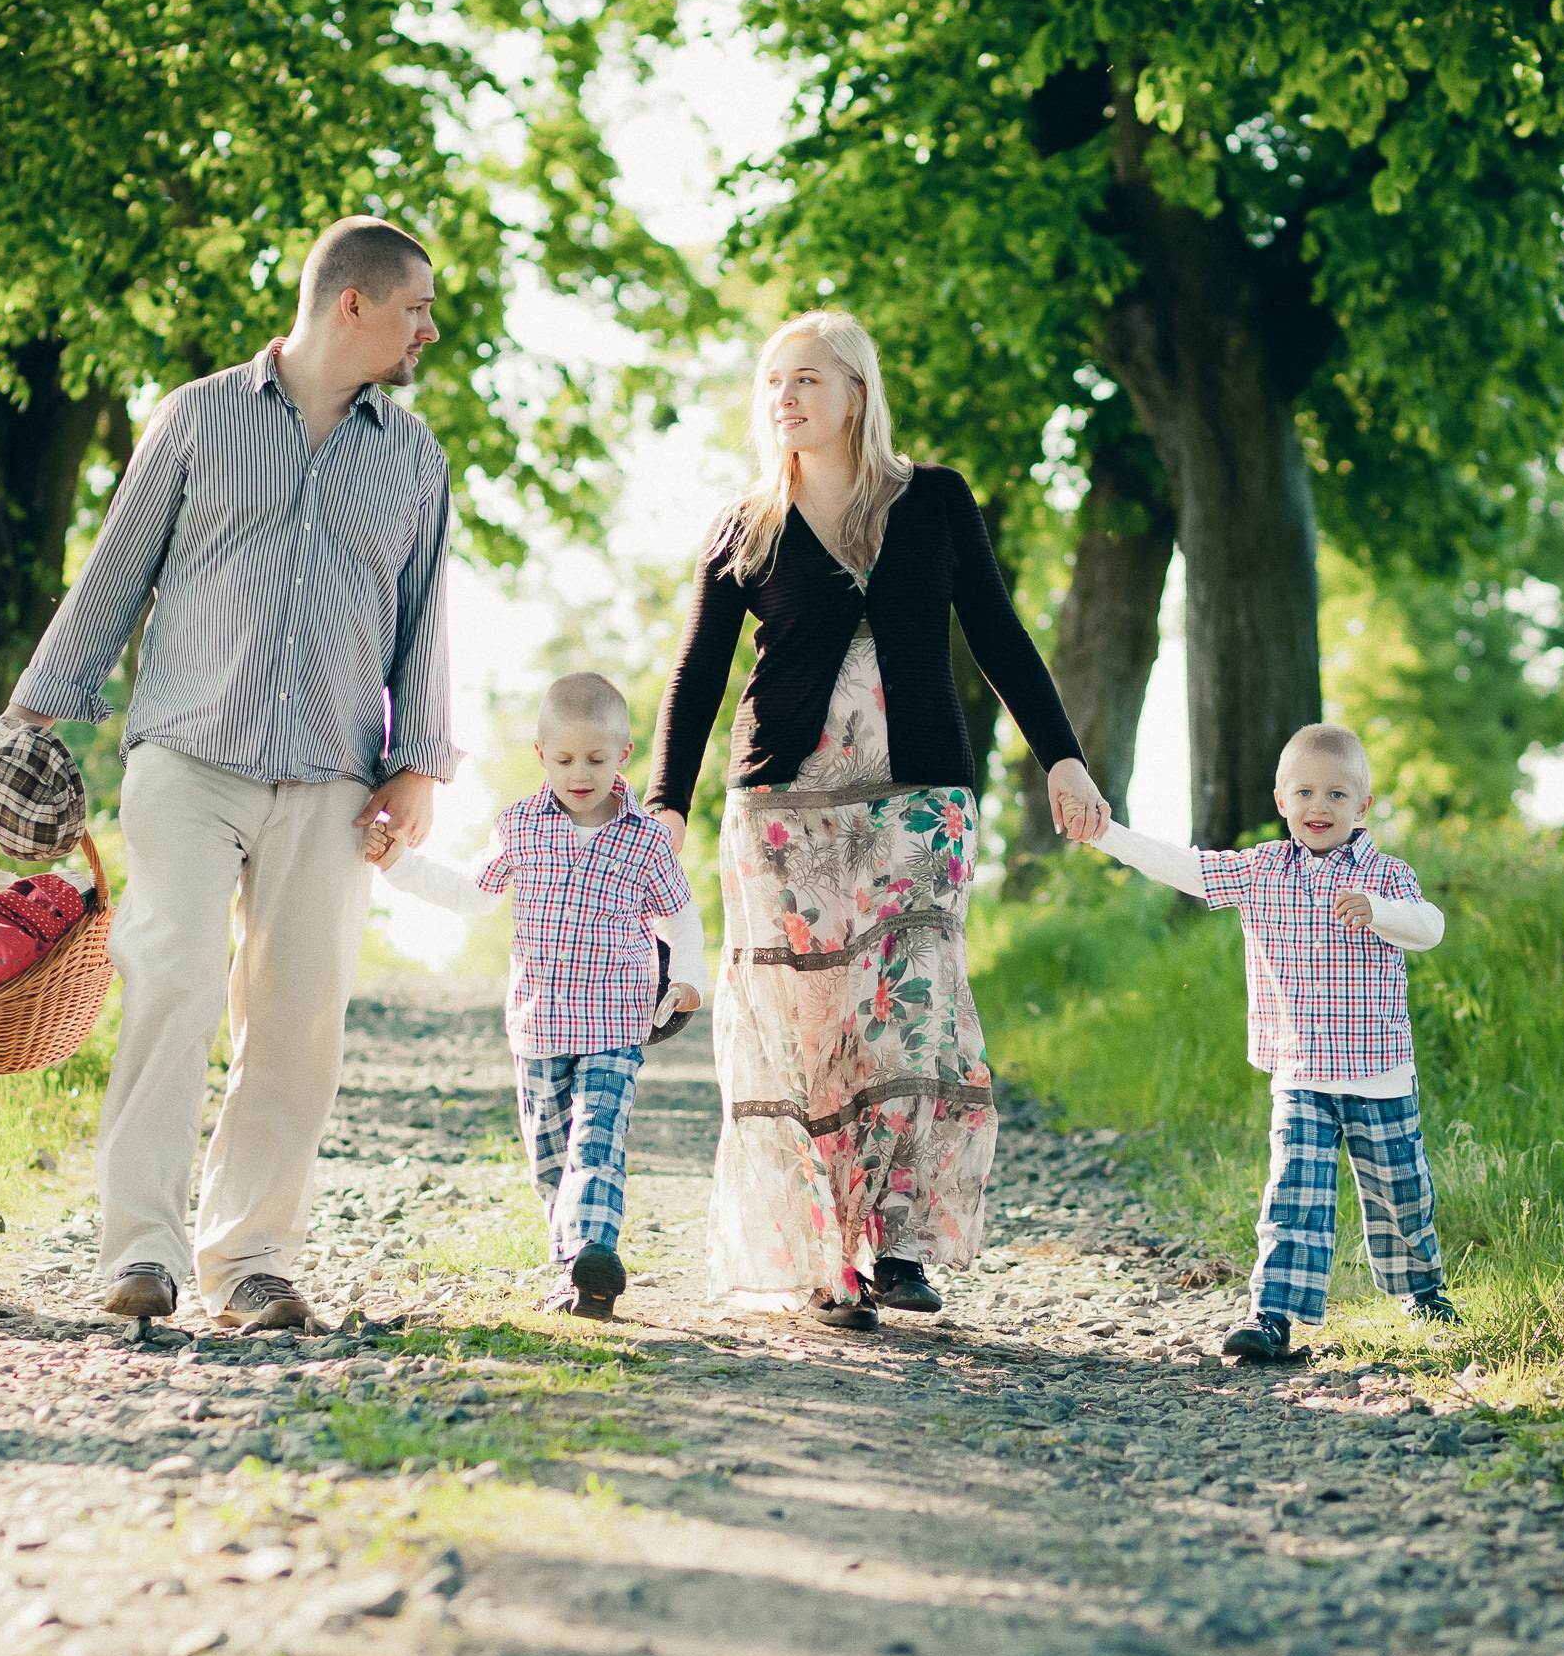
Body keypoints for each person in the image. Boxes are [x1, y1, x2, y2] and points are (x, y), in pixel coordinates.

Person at [0, 215, 459, 1333]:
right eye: (417, 308)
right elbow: (114, 574)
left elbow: (426, 615)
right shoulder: (198, 418)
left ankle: (250, 1260)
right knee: (175, 984)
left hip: (333, 772)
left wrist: (419, 766)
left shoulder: (413, 457)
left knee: (297, 1020)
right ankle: (141, 1251)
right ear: (353, 303)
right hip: (187, 755)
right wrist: (27, 713)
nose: (429, 330)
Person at [646, 309, 1110, 1332]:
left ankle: (896, 1243)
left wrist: (1063, 756)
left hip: (920, 806)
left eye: (807, 378)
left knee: (909, 1012)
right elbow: (697, 674)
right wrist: (665, 807)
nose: (785, 397)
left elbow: (997, 632)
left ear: (856, 392)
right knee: (807, 1030)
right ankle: (824, 1259)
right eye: (774, 381)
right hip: (786, 814)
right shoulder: (747, 525)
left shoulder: (935, 500)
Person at [1076, 722, 1456, 1361]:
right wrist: (1106, 833)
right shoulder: (1261, 870)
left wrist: (1379, 910)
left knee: (1400, 1194)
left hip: (1379, 1072)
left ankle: (1422, 1293)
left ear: (1363, 806)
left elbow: (1431, 927)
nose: (1319, 806)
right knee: (1293, 1195)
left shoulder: (1387, 875)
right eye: (1304, 792)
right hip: (1301, 1071)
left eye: (1337, 795)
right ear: (1281, 800)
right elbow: (1185, 867)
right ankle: (1272, 1314)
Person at [365, 672, 710, 1318]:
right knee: (551, 1161)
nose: (580, 773)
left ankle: (594, 1253)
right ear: (541, 755)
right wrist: (399, 864)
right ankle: (571, 1272)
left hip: (614, 1024)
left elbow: (680, 917)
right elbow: (471, 894)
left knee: (596, 1142)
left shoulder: (645, 841)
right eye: (565, 759)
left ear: (623, 755)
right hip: (540, 1024)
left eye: (596, 759)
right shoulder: (520, 826)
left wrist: (688, 976)